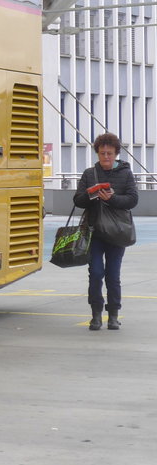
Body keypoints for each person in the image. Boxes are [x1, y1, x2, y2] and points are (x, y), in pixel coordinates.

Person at [73, 132, 138, 331]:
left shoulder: (126, 173)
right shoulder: (89, 173)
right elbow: (77, 200)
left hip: (117, 232)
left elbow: (133, 200)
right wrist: (91, 194)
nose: (106, 157)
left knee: (112, 275)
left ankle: (113, 315)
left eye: (109, 153)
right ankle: (96, 314)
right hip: (94, 231)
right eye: (102, 153)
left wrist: (112, 199)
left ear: (116, 153)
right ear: (97, 153)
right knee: (95, 273)